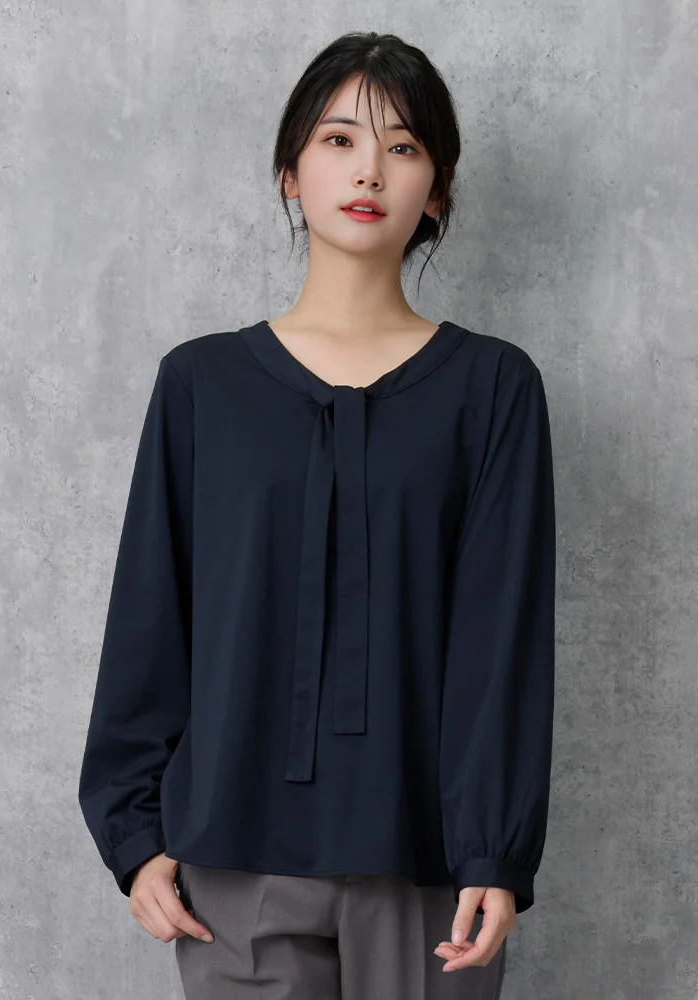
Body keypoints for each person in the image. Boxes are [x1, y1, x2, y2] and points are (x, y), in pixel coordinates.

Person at [78, 30, 556, 1000]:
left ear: (438, 190)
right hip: (229, 861)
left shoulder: (492, 389)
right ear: (290, 172)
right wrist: (133, 836)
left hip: (430, 869)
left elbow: (500, 640)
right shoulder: (201, 385)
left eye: (404, 146)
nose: (369, 169)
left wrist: (495, 850)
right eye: (339, 139)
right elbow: (151, 620)